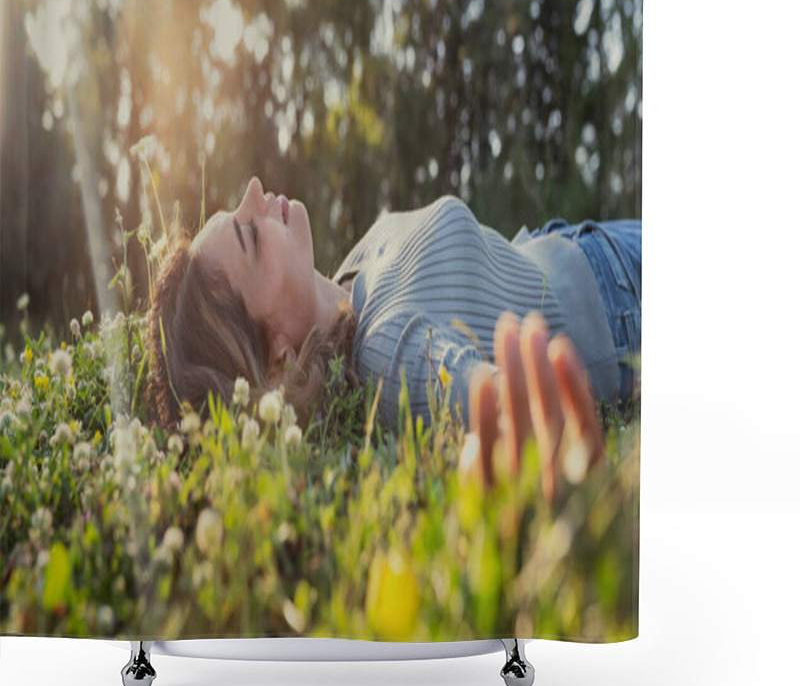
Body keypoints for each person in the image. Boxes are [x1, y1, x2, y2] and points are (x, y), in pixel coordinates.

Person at [146, 176, 640, 497]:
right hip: (621, 300)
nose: (252, 189)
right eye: (248, 235)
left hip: (575, 243)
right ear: (277, 362)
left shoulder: (348, 283)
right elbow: (484, 396)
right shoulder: (387, 352)